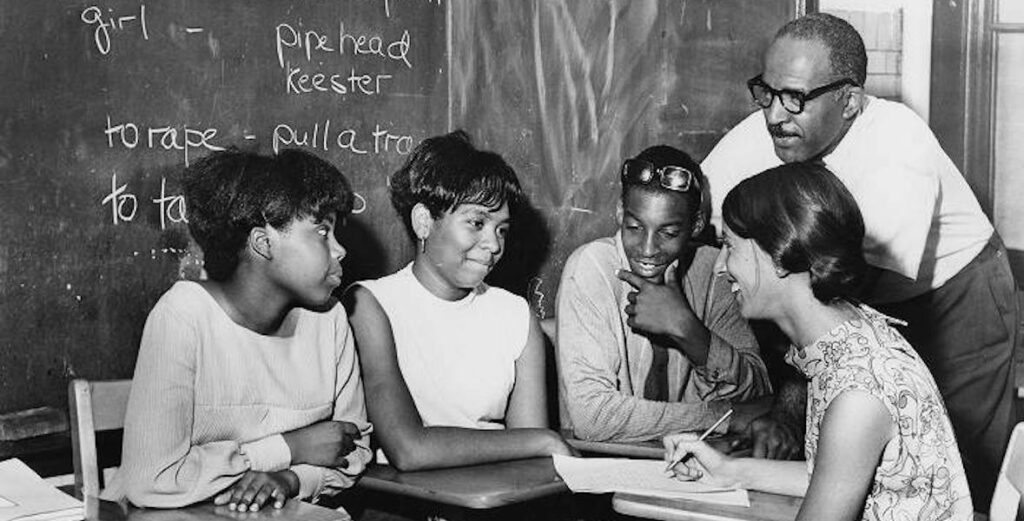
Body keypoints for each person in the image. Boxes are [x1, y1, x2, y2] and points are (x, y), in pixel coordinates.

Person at [700, 12, 1017, 505]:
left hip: (954, 295)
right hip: (852, 312)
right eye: (766, 91)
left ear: (848, 101)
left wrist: (787, 406)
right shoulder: (774, 126)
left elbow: (834, 296)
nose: (775, 115)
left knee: (950, 472)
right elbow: (692, 204)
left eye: (796, 98)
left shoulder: (897, 145)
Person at [665, 163, 973, 521]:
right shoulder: (849, 339)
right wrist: (728, 470)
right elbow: (834, 473)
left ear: (778, 255)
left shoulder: (858, 393)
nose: (720, 267)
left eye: (728, 247)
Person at [101, 149, 372, 513]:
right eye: (322, 231)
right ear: (263, 243)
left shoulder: (331, 319)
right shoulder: (183, 317)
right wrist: (287, 449)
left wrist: (291, 479)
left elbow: (353, 450)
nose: (339, 250)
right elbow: (151, 481)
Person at [345, 130, 574, 471]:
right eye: (477, 222)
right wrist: (545, 439)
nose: (494, 245)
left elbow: (531, 462)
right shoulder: (371, 304)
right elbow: (409, 450)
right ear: (424, 221)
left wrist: (539, 442)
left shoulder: (514, 315)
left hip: (495, 502)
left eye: (501, 229)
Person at [556, 145, 784, 450]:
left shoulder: (712, 269)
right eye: (634, 227)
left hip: (690, 465)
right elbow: (593, 419)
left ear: (697, 225)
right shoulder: (592, 266)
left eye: (668, 233)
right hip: (598, 470)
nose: (647, 249)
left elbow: (758, 393)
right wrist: (722, 417)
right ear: (620, 213)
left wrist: (688, 331)